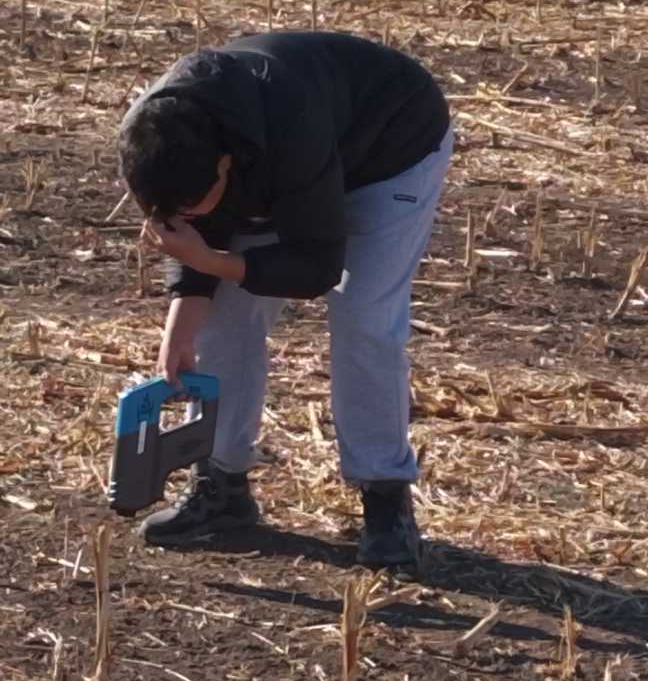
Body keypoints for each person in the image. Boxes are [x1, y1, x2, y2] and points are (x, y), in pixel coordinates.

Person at [118, 30, 452, 566]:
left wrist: (212, 261)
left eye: (195, 206)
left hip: (392, 145)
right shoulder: (151, 131)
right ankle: (221, 485)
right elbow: (196, 225)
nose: (187, 218)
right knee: (224, 315)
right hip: (288, 157)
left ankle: (386, 498)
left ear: (225, 164)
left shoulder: (289, 126)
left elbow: (317, 267)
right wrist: (183, 314)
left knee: (364, 316)